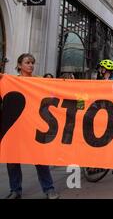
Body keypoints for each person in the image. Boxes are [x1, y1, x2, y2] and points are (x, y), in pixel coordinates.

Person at [4, 54, 59, 199]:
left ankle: (49, 189)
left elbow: (52, 95)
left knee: (39, 159)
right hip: (15, 127)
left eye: (32, 63)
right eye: (27, 62)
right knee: (12, 160)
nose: (31, 65)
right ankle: (15, 190)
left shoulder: (38, 81)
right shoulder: (11, 81)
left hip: (33, 126)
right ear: (19, 65)